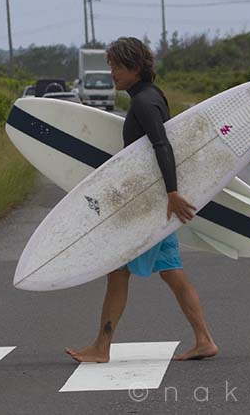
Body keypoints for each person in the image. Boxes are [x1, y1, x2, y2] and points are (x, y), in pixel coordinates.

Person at [65, 37, 218, 363]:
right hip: (155, 205)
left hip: (150, 206)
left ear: (135, 67)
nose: (112, 73)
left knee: (118, 272)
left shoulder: (144, 103)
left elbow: (162, 145)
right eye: (110, 66)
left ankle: (101, 348)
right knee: (173, 273)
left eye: (116, 66)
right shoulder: (152, 96)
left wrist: (172, 193)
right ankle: (204, 339)